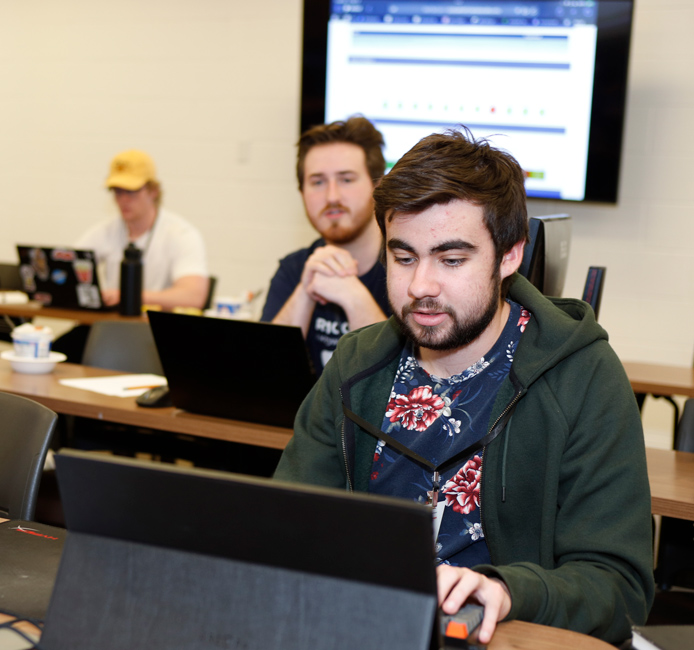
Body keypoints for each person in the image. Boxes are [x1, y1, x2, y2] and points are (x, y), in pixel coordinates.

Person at [274, 129, 654, 645]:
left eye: (451, 260)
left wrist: (509, 589)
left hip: (509, 636)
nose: (420, 286)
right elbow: (285, 529)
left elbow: (618, 586)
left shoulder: (581, 375)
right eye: (403, 257)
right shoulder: (357, 365)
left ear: (510, 256)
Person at [260, 117, 391, 374]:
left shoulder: (408, 268)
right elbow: (266, 374)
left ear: (378, 186)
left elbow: (404, 384)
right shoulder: (293, 268)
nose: (332, 196)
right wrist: (304, 293)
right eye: (318, 182)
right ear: (302, 193)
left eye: (346, 179)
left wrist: (354, 297)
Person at [76, 149, 209, 310]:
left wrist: (128, 295)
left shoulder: (181, 234)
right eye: (117, 192)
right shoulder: (105, 231)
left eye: (131, 192)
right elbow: (70, 263)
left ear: (153, 191)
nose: (123, 200)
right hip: (111, 326)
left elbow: (193, 296)